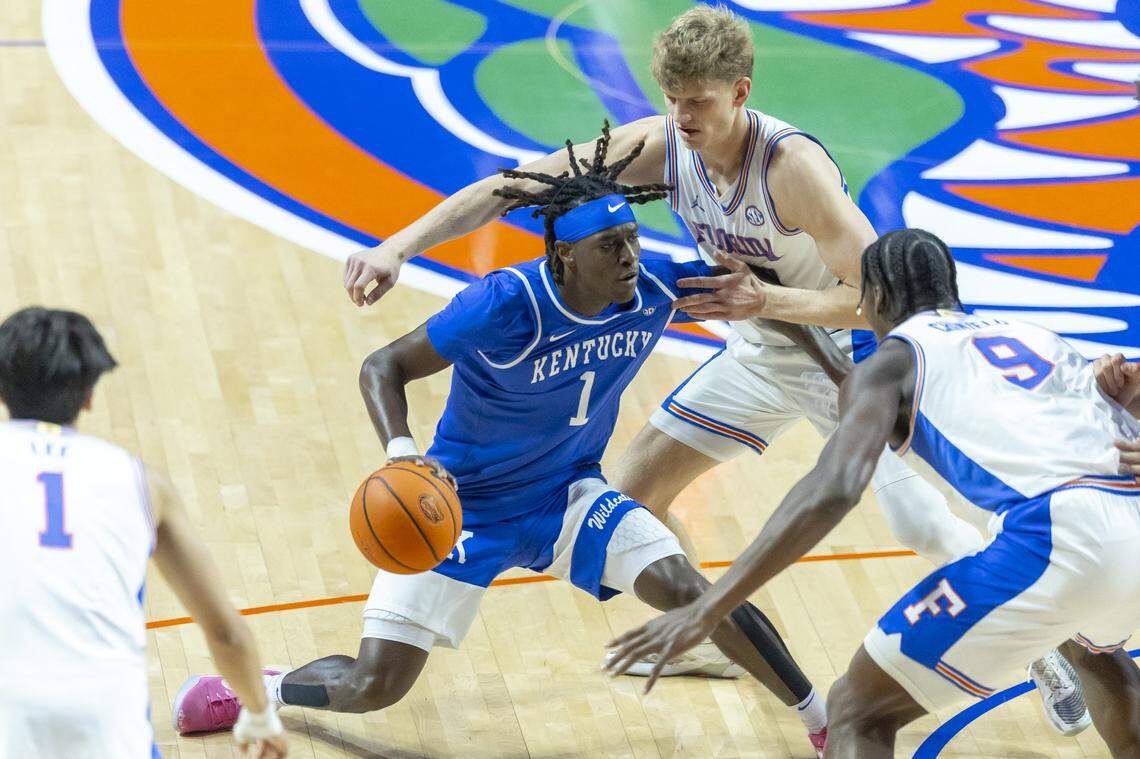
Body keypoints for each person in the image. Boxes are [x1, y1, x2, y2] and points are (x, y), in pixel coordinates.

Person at [336, 3, 1086, 730]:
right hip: (760, 344)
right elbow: (513, 187)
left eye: (698, 102)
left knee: (918, 518)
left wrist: (768, 295)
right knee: (634, 495)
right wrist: (397, 245)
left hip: (844, 356)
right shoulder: (663, 143)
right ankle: (703, 635)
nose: (684, 117)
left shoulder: (793, 170)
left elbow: (875, 301)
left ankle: (1055, 652)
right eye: (672, 100)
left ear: (741, 93)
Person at [174, 131, 831, 755]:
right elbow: (383, 366)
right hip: (461, 507)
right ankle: (260, 689)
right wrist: (403, 453)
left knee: (695, 592)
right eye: (611, 247)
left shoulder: (654, 285)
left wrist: (840, 372)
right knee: (374, 684)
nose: (631, 257)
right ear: (566, 254)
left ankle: (825, 723)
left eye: (631, 238)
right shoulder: (502, 303)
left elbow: (763, 296)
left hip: (566, 495)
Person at [605, 229, 1140, 757]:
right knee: (1100, 656)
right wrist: (783, 318)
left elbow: (831, 491)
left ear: (875, 298)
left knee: (857, 711)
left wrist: (711, 606)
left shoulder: (896, 360)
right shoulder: (1031, 337)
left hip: (1053, 538)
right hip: (1128, 530)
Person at [0, 307, 286, 759]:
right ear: (90, 395)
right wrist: (258, 714)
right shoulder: (143, 483)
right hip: (105, 723)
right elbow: (224, 631)